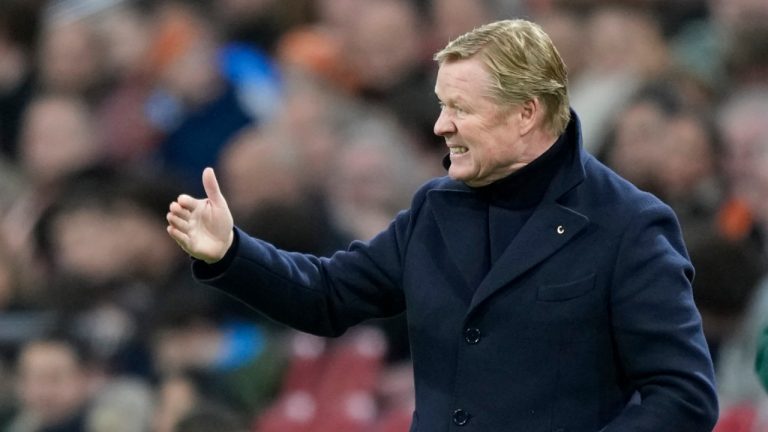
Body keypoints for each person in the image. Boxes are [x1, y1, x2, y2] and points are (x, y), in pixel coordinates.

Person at [167, 19, 718, 431]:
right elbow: (329, 295)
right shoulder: (436, 208)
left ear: (526, 113)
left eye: (459, 107)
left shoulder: (629, 224)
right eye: (439, 104)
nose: (440, 124)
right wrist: (231, 252)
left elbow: (682, 396)